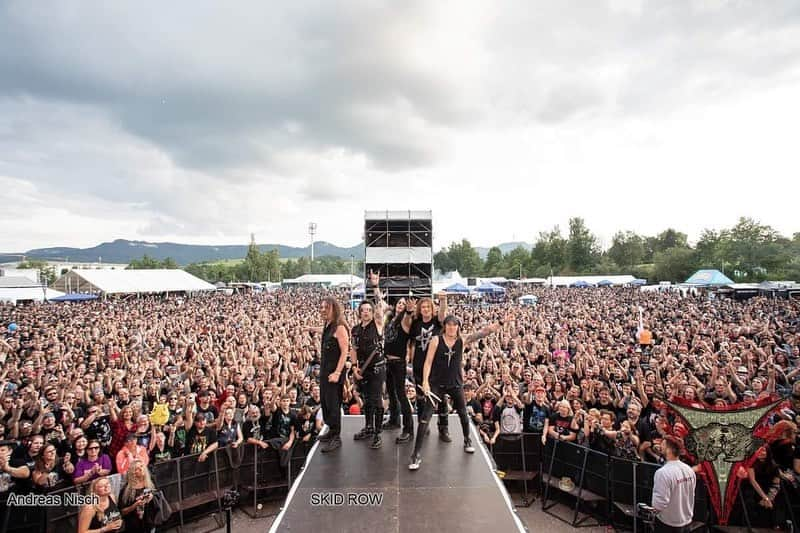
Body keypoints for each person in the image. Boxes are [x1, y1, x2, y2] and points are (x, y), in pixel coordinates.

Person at [410, 315, 501, 470]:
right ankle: (416, 454)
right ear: (445, 326)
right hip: (436, 384)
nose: (452, 328)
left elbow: (485, 331)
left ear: (458, 326)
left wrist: (501, 322)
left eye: (455, 325)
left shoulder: (462, 340)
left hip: (455, 384)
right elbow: (428, 362)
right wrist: (425, 381)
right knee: (425, 418)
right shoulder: (436, 340)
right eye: (449, 325)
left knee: (463, 414)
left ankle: (467, 440)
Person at [350, 283, 387, 449]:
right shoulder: (355, 329)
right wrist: (353, 367)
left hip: (377, 370)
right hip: (362, 370)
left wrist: (376, 287)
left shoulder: (377, 324)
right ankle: (368, 426)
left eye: (368, 310)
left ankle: (378, 433)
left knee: (377, 401)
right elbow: (353, 349)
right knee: (366, 401)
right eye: (363, 309)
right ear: (359, 312)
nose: (366, 312)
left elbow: (380, 308)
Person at [311, 296, 349, 453]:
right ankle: (331, 431)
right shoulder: (328, 325)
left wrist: (338, 372)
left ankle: (336, 437)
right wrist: (312, 329)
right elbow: (326, 332)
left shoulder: (340, 327)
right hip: (326, 371)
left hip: (334, 372)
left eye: (325, 308)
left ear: (334, 308)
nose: (322, 310)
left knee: (333, 404)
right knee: (326, 403)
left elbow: (345, 351)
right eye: (321, 307)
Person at [408, 294, 448, 442]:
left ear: (432, 309)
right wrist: (410, 358)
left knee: (441, 396)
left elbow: (443, 314)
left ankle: (443, 427)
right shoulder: (416, 323)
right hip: (419, 365)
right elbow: (411, 342)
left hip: (436, 366)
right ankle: (422, 424)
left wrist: (443, 301)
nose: (425, 309)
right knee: (420, 397)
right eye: (423, 307)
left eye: (428, 307)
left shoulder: (437, 322)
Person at [382, 296, 415, 443]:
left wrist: (408, 310)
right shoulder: (390, 319)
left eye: (404, 303)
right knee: (391, 393)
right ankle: (394, 420)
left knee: (401, 394)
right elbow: (381, 304)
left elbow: (408, 318)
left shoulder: (405, 320)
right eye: (399, 303)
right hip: (387, 361)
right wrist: (376, 287)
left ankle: (408, 429)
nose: (401, 305)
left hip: (399, 363)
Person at [651, 436, 696, 533]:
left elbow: (659, 504)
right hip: (687, 522)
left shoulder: (662, 473)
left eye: (662, 444)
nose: (660, 447)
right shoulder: (689, 470)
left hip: (668, 524)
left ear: (669, 449)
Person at [118, 459, 156, 533]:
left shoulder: (150, 482)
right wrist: (135, 505)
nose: (141, 469)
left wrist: (152, 496)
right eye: (137, 468)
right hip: (134, 526)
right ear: (133, 473)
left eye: (142, 466)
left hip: (150, 522)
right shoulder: (126, 490)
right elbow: (122, 511)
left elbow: (157, 494)